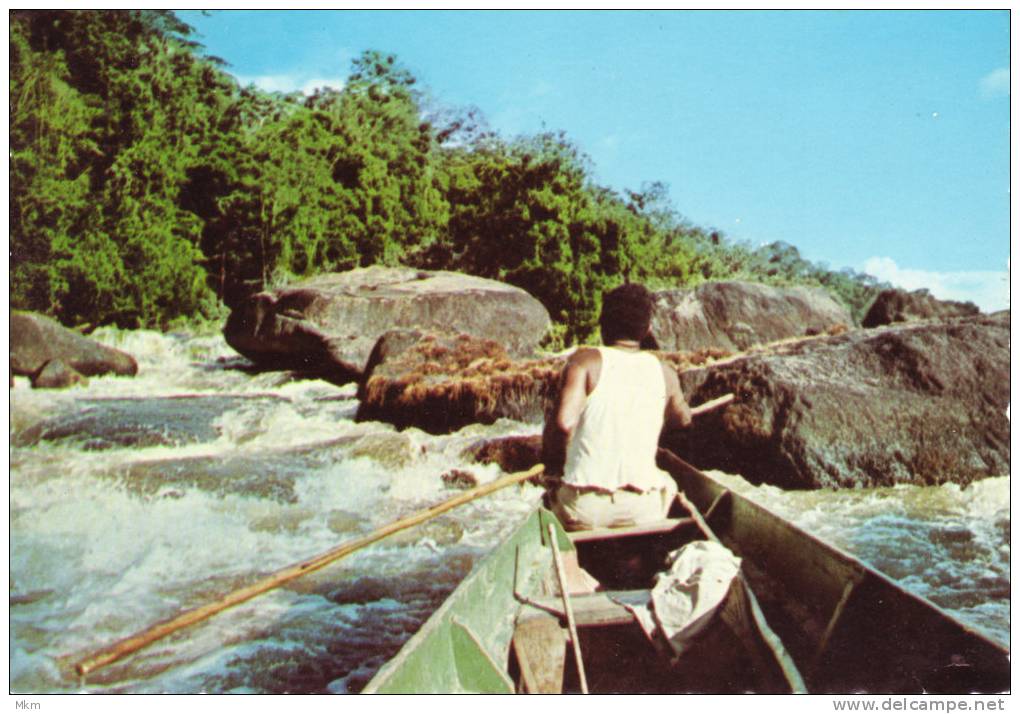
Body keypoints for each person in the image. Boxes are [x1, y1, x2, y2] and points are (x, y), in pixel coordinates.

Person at [542, 283, 692, 531]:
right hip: (645, 510)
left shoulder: (584, 362)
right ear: (648, 329)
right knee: (667, 482)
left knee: (554, 497)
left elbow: (563, 424)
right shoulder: (665, 372)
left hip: (584, 510)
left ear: (603, 325)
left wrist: (554, 472)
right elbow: (683, 421)